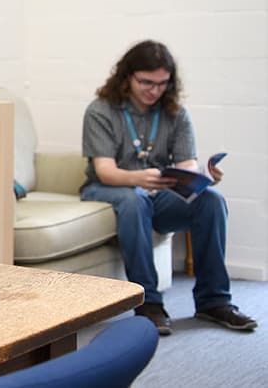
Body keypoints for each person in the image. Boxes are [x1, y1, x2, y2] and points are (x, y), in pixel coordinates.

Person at [80, 39, 256, 335]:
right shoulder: (101, 110)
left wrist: (199, 178)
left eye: (162, 84)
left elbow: (186, 164)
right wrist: (138, 178)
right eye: (146, 82)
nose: (154, 90)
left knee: (211, 200)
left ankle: (214, 301)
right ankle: (148, 303)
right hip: (109, 188)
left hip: (156, 193)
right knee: (134, 200)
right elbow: (105, 171)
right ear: (126, 77)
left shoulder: (175, 112)